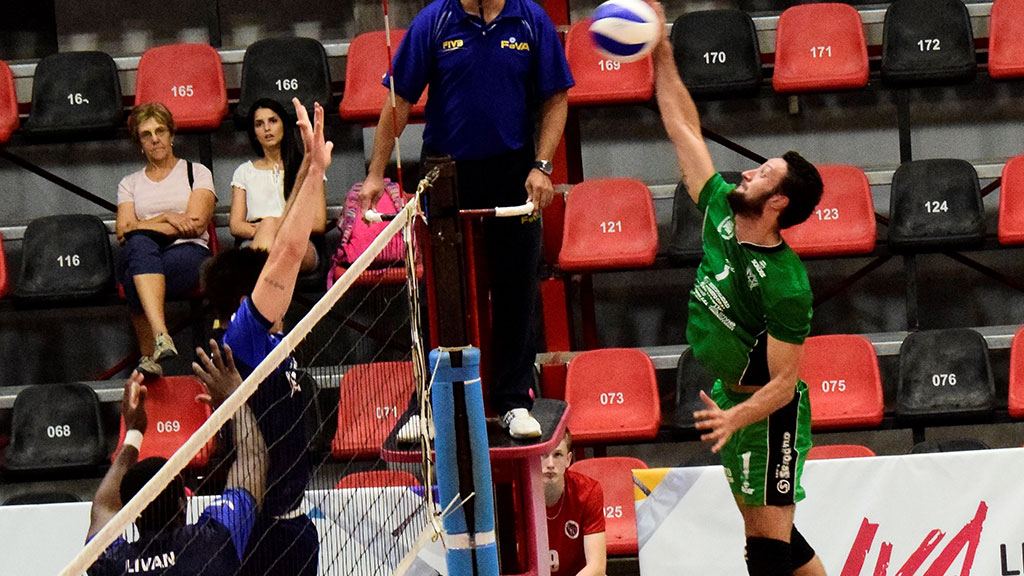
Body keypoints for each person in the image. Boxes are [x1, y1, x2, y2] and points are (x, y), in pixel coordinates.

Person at [643, 2, 827, 575]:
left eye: (763, 174)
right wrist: (662, 52)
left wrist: (737, 418)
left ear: (778, 203)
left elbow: (785, 382)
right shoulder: (722, 206)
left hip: (766, 415)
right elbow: (683, 128)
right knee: (775, 536)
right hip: (732, 398)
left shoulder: (787, 284)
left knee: (766, 550)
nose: (747, 172)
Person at [358, 0, 575, 439]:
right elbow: (398, 101)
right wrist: (375, 174)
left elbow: (556, 98)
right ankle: (430, 404)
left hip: (514, 171)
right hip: (446, 171)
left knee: (516, 290)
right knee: (439, 294)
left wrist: (543, 166)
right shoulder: (434, 21)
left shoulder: (531, 20)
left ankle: (513, 401)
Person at [201, 97, 332, 576]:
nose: (276, 283)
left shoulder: (270, 338)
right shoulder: (245, 336)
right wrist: (316, 173)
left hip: (292, 522)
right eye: (263, 282)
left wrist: (307, 172)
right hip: (265, 533)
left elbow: (283, 249)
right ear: (245, 300)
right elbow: (288, 253)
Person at [86, 356, 267, 576]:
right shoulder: (215, 541)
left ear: (131, 516)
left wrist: (134, 432)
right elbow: (253, 460)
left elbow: (105, 507)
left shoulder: (111, 563)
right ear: (183, 504)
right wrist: (236, 400)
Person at [115, 102, 217, 378]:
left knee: (135, 272)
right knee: (138, 246)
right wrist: (168, 217)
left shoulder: (196, 172)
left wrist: (144, 226)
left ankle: (150, 356)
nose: (155, 139)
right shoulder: (129, 183)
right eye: (146, 134)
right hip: (144, 254)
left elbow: (196, 224)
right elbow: (123, 232)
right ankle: (162, 335)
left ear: (171, 134)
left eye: (160, 131)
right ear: (139, 143)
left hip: (188, 254)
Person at [230, 97, 326, 272]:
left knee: (268, 235)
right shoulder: (244, 172)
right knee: (266, 235)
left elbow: (319, 223)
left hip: (300, 240)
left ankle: (260, 288)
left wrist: (274, 225)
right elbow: (236, 225)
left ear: (284, 125)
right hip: (255, 239)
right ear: (254, 133)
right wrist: (265, 229)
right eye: (259, 124)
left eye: (273, 121)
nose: (267, 128)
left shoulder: (308, 167)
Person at [541, 430, 606, 576]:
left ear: (568, 459)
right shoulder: (512, 495)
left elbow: (597, 567)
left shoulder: (588, 491)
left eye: (558, 455)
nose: (550, 464)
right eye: (543, 454)